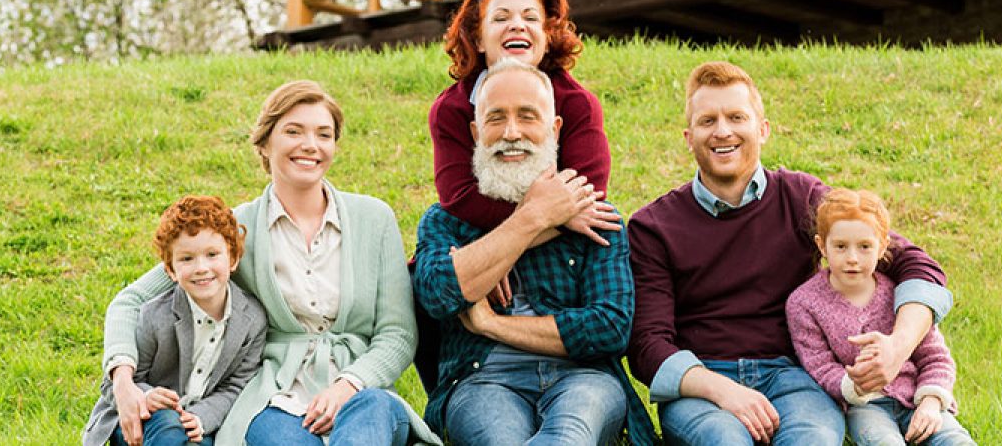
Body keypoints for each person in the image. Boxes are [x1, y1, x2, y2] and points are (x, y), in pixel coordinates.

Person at [627, 61, 955, 445]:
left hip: (792, 377)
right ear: (688, 136)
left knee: (813, 439)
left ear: (762, 130)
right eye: (707, 120)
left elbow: (913, 261)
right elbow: (647, 345)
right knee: (725, 441)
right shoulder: (653, 226)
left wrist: (898, 348)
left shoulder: (802, 198)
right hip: (704, 383)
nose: (723, 131)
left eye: (736, 117)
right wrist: (724, 391)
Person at [101, 81, 440, 446]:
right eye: (293, 131)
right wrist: (122, 381)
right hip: (275, 399)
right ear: (264, 143)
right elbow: (130, 300)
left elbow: (399, 334)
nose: (311, 145)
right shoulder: (235, 230)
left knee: (368, 421)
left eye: (324, 134)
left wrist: (348, 384)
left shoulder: (374, 218)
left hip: (362, 393)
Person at [413, 59, 654, 446]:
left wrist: (492, 324)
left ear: (554, 129)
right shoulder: (446, 221)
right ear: (476, 132)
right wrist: (533, 218)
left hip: (583, 379)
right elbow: (438, 292)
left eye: (527, 116)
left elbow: (609, 328)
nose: (511, 133)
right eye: (496, 119)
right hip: (483, 380)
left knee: (569, 436)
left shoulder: (596, 218)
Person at [429, 0, 616, 241]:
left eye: (530, 18)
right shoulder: (450, 109)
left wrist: (513, 239)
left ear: (547, 36)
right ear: (479, 39)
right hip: (472, 238)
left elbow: (587, 196)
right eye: (501, 18)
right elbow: (460, 199)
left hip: (560, 250)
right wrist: (508, 244)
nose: (517, 25)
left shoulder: (578, 104)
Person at [786, 188, 975, 445]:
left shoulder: (899, 295)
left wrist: (931, 402)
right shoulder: (804, 303)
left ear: (882, 246)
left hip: (918, 396)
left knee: (954, 440)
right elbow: (819, 365)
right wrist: (853, 385)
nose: (852, 258)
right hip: (865, 405)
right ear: (822, 245)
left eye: (865, 247)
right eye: (840, 246)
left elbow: (935, 356)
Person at [83, 195, 267, 446]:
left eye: (212, 254)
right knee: (168, 426)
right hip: (145, 422)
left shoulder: (252, 320)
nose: (201, 267)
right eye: (187, 259)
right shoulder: (155, 316)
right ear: (170, 270)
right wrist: (146, 397)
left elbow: (236, 387)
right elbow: (114, 383)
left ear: (233, 259)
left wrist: (200, 417)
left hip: (200, 426)